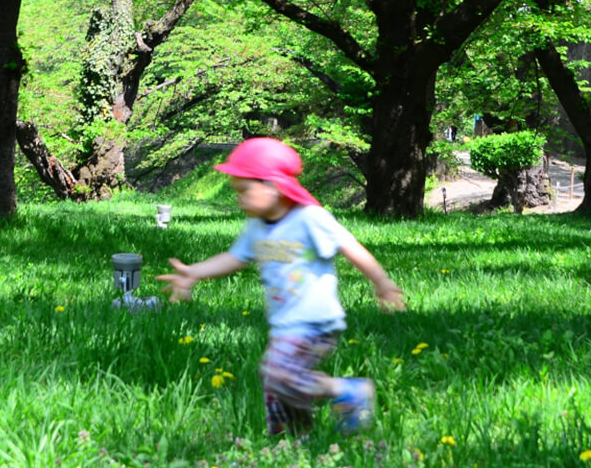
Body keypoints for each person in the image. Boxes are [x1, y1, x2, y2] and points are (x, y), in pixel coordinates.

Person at [157, 137, 406, 437]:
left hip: (315, 322)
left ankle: (347, 391)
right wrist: (193, 273)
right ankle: (291, 438)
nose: (238, 198)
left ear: (272, 186)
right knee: (275, 384)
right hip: (285, 324)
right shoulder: (258, 226)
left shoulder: (309, 219)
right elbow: (234, 258)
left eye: (243, 191)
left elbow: (349, 246)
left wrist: (381, 282)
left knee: (277, 373)